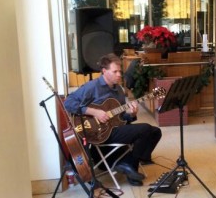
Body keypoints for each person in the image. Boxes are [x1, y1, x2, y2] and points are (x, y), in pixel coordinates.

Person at [64, 53, 162, 186]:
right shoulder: (92, 87)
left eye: (120, 71)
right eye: (115, 71)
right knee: (145, 129)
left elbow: (121, 118)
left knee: (156, 131)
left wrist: (132, 114)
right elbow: (69, 103)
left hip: (114, 128)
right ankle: (128, 164)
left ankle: (130, 165)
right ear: (104, 71)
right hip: (99, 132)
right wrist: (94, 112)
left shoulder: (119, 91)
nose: (119, 75)